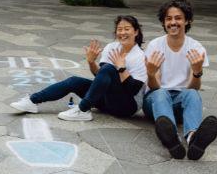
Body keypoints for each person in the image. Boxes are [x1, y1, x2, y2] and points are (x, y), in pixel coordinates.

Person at [10, 15, 147, 122]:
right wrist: (91, 62)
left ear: (136, 32)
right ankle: (32, 101)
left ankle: (82, 110)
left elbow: (133, 90)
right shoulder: (112, 47)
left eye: (127, 29)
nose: (122, 32)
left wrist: (121, 68)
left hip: (126, 106)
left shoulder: (139, 56)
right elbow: (101, 77)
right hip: (106, 100)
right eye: (119, 29)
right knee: (74, 81)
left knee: (110, 69)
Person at [143, 0, 217, 160]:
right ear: (163, 22)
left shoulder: (196, 48)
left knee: (192, 94)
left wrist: (197, 72)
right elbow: (154, 87)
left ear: (187, 20)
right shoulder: (155, 45)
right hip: (155, 101)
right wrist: (150, 73)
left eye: (178, 18)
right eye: (168, 19)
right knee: (161, 93)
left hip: (180, 102)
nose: (173, 23)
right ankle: (172, 138)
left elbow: (194, 87)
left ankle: (193, 139)